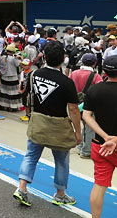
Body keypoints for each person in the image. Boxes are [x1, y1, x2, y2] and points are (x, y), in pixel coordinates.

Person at [13, 41, 82, 207]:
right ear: (63, 59)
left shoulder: (35, 75)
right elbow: (73, 109)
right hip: (59, 126)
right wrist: (78, 132)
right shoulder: (67, 82)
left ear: (44, 57)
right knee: (61, 160)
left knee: (31, 155)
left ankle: (22, 189)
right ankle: (60, 194)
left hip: (38, 122)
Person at [82, 55, 117, 218]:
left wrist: (106, 136)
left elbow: (86, 116)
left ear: (104, 70)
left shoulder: (94, 90)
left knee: (100, 185)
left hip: (100, 145)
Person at [69, 53, 103, 159]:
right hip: (88, 105)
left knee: (79, 125)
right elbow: (99, 91)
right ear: (94, 63)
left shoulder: (74, 73)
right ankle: (86, 150)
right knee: (89, 127)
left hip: (74, 104)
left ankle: (80, 145)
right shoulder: (96, 76)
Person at [0, 44, 23, 112]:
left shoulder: (1, 57)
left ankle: (3, 105)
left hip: (4, 77)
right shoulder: (14, 58)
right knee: (13, 93)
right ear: (13, 51)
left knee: (4, 92)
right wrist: (20, 58)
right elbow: (19, 64)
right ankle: (12, 107)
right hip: (13, 77)